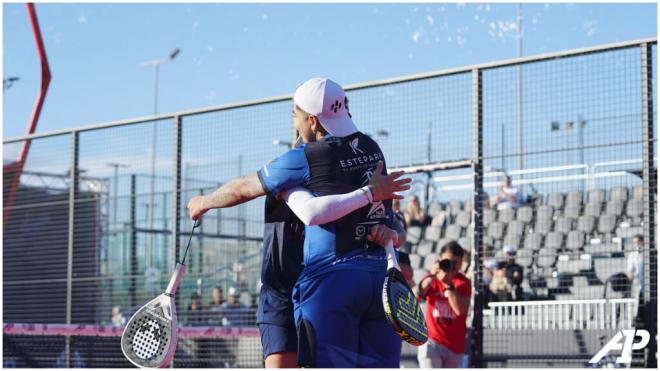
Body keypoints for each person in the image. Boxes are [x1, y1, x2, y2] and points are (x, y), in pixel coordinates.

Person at [187, 77, 410, 368]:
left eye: (296, 115)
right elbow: (389, 217)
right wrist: (391, 228)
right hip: (377, 279)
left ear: (313, 120)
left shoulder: (306, 157)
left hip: (331, 281)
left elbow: (244, 188)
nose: (295, 122)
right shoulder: (371, 147)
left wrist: (204, 201)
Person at [417, 241, 471, 368]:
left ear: (461, 262)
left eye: (455, 263)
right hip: (431, 341)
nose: (451, 266)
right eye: (447, 262)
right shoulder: (432, 278)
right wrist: (431, 276)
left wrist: (448, 284)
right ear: (440, 260)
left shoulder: (463, 283)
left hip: (454, 346)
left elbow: (459, 310)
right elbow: (416, 297)